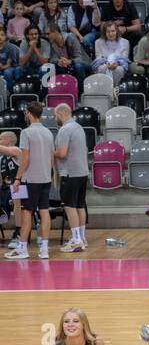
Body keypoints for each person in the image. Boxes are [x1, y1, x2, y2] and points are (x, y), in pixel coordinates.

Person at [3, 102, 54, 261]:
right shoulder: (48, 132)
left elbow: (25, 159)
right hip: (45, 177)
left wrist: (18, 178)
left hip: (29, 179)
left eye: (26, 113)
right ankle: (44, 250)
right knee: (44, 212)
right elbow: (51, 157)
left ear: (29, 113)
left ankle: (22, 248)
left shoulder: (26, 132)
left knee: (26, 213)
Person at [53, 105, 89, 254]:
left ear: (60, 114)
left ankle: (76, 240)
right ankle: (81, 237)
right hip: (82, 172)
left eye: (55, 115)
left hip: (70, 173)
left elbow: (62, 153)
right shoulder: (78, 127)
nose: (55, 118)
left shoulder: (64, 129)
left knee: (69, 206)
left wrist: (49, 152)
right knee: (80, 205)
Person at [91, 21, 131, 87]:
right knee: (102, 68)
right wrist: (107, 63)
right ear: (104, 33)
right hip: (104, 63)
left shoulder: (125, 42)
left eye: (113, 31)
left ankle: (117, 89)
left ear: (116, 31)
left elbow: (125, 58)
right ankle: (104, 89)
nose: (111, 34)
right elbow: (98, 57)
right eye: (108, 32)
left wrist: (117, 63)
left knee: (119, 69)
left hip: (119, 64)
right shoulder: (98, 42)